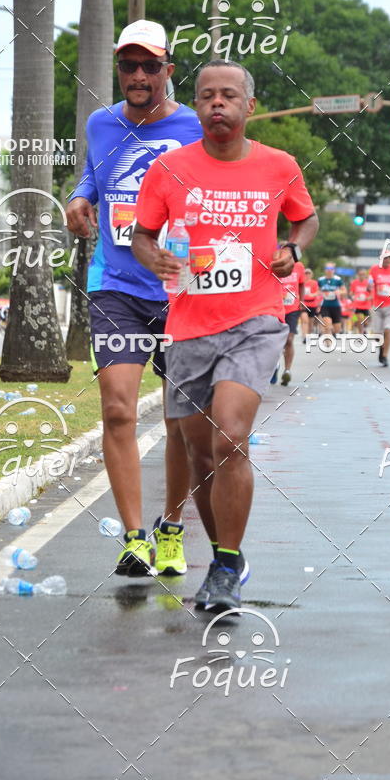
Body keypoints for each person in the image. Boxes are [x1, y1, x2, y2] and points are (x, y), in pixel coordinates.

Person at [132, 59, 318, 611]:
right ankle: (224, 559)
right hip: (189, 326)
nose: (218, 102)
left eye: (229, 95)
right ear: (196, 106)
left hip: (256, 319)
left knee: (229, 437)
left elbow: (305, 218)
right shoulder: (170, 169)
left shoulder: (279, 165)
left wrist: (293, 248)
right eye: (207, 95)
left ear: (248, 106)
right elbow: (142, 235)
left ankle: (227, 564)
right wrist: (154, 258)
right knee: (199, 453)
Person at [66, 19, 202, 579]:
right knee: (118, 408)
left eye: (150, 65)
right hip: (116, 285)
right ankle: (134, 539)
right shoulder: (101, 123)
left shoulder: (195, 125)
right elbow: (91, 177)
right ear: (118, 69)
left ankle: (171, 527)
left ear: (169, 70)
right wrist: (78, 197)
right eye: (129, 65)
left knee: (180, 419)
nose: (139, 75)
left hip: (180, 290)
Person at [368, 249, 390, 367]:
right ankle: (381, 348)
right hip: (377, 305)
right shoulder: (374, 269)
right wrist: (369, 287)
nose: (388, 259)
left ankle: (385, 355)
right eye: (385, 257)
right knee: (377, 334)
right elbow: (370, 283)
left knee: (388, 329)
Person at [278, 260, 306, 384]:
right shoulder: (275, 263)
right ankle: (274, 366)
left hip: (293, 309)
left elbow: (302, 284)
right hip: (276, 308)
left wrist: (302, 300)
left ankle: (287, 370)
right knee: (276, 341)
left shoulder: (299, 266)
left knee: (289, 340)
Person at [318, 263, 343, 334]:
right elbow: (318, 291)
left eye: (331, 269)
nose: (329, 270)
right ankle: (328, 339)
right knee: (328, 325)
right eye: (327, 269)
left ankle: (333, 334)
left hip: (336, 306)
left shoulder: (338, 279)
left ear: (334, 270)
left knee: (337, 329)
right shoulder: (321, 280)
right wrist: (319, 294)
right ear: (325, 270)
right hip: (325, 306)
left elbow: (344, 291)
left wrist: (339, 292)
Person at [300, 268, 323, 340]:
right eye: (306, 273)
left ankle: (308, 335)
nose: (307, 275)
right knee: (304, 320)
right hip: (303, 304)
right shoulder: (301, 282)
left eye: (309, 273)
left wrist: (313, 295)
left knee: (310, 323)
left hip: (312, 304)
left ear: (311, 275)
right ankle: (304, 335)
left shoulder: (314, 283)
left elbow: (318, 292)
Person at [350, 268, 371, 334]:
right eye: (360, 274)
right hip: (357, 305)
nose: (361, 276)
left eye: (363, 274)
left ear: (365, 275)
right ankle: (360, 333)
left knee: (366, 322)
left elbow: (372, 293)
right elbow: (351, 292)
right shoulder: (354, 282)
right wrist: (353, 296)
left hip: (366, 305)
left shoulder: (368, 283)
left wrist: (368, 298)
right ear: (358, 275)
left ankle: (363, 329)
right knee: (358, 320)